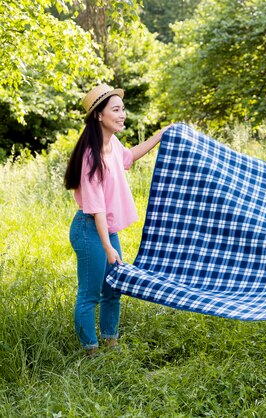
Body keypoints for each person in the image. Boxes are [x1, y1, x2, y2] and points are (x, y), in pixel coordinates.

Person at [64, 84, 167, 356]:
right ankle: (91, 352)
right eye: (116, 110)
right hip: (90, 230)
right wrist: (108, 247)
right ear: (99, 115)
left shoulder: (112, 144)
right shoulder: (91, 154)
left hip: (105, 230)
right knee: (90, 294)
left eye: (123, 109)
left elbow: (129, 157)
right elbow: (96, 206)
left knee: (114, 289)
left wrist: (161, 135)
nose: (123, 115)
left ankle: (111, 343)